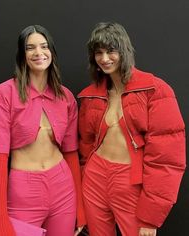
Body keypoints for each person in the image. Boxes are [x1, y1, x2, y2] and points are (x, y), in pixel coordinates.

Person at [78, 22, 186, 236]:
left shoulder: (155, 90)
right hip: (94, 178)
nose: (105, 58)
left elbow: (166, 159)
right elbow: (84, 145)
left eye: (111, 50)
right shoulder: (92, 95)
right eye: (98, 53)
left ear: (124, 50)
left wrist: (151, 216)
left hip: (130, 180)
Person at [0, 25, 86, 236]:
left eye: (44, 46)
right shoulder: (3, 95)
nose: (39, 53)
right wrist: (0, 219)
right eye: (30, 48)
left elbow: (71, 153)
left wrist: (80, 209)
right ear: (22, 55)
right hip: (24, 191)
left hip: (63, 187)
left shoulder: (66, 97)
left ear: (52, 53)